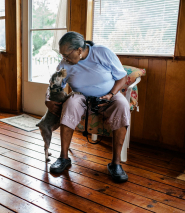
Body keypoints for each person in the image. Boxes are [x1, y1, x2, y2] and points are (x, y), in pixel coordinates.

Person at [45, 31, 130, 183]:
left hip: (108, 95)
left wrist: (111, 94)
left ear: (79, 50)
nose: (64, 58)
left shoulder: (101, 52)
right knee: (70, 103)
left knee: (122, 104)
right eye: (62, 55)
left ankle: (115, 164)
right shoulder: (66, 63)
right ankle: (64, 157)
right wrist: (48, 99)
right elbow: (55, 84)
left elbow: (122, 77)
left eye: (66, 54)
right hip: (81, 96)